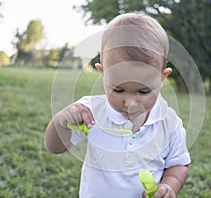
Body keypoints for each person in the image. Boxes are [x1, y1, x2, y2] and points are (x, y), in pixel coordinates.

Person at [44, 12, 190, 198]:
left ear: (162, 78)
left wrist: (170, 186)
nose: (129, 102)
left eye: (144, 91)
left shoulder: (169, 123)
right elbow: (54, 147)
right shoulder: (90, 112)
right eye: (118, 90)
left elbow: (178, 164)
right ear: (103, 73)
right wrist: (61, 121)